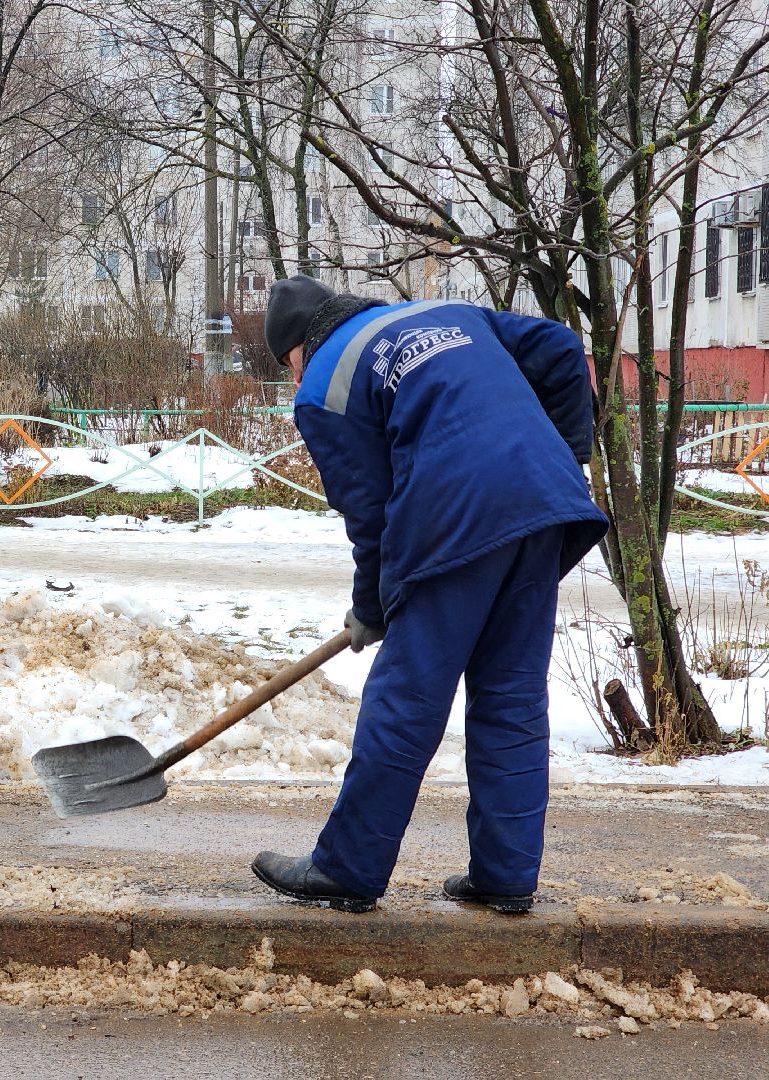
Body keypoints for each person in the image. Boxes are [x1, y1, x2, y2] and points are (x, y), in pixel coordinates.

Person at [252, 275, 608, 914]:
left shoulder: (323, 384)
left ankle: (348, 869)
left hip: (455, 518)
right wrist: (566, 453)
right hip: (546, 504)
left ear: (298, 350)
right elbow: (558, 347)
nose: (292, 379)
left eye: (287, 366)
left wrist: (371, 606)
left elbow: (367, 510)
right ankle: (505, 874)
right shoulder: (448, 313)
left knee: (407, 699)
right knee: (511, 696)